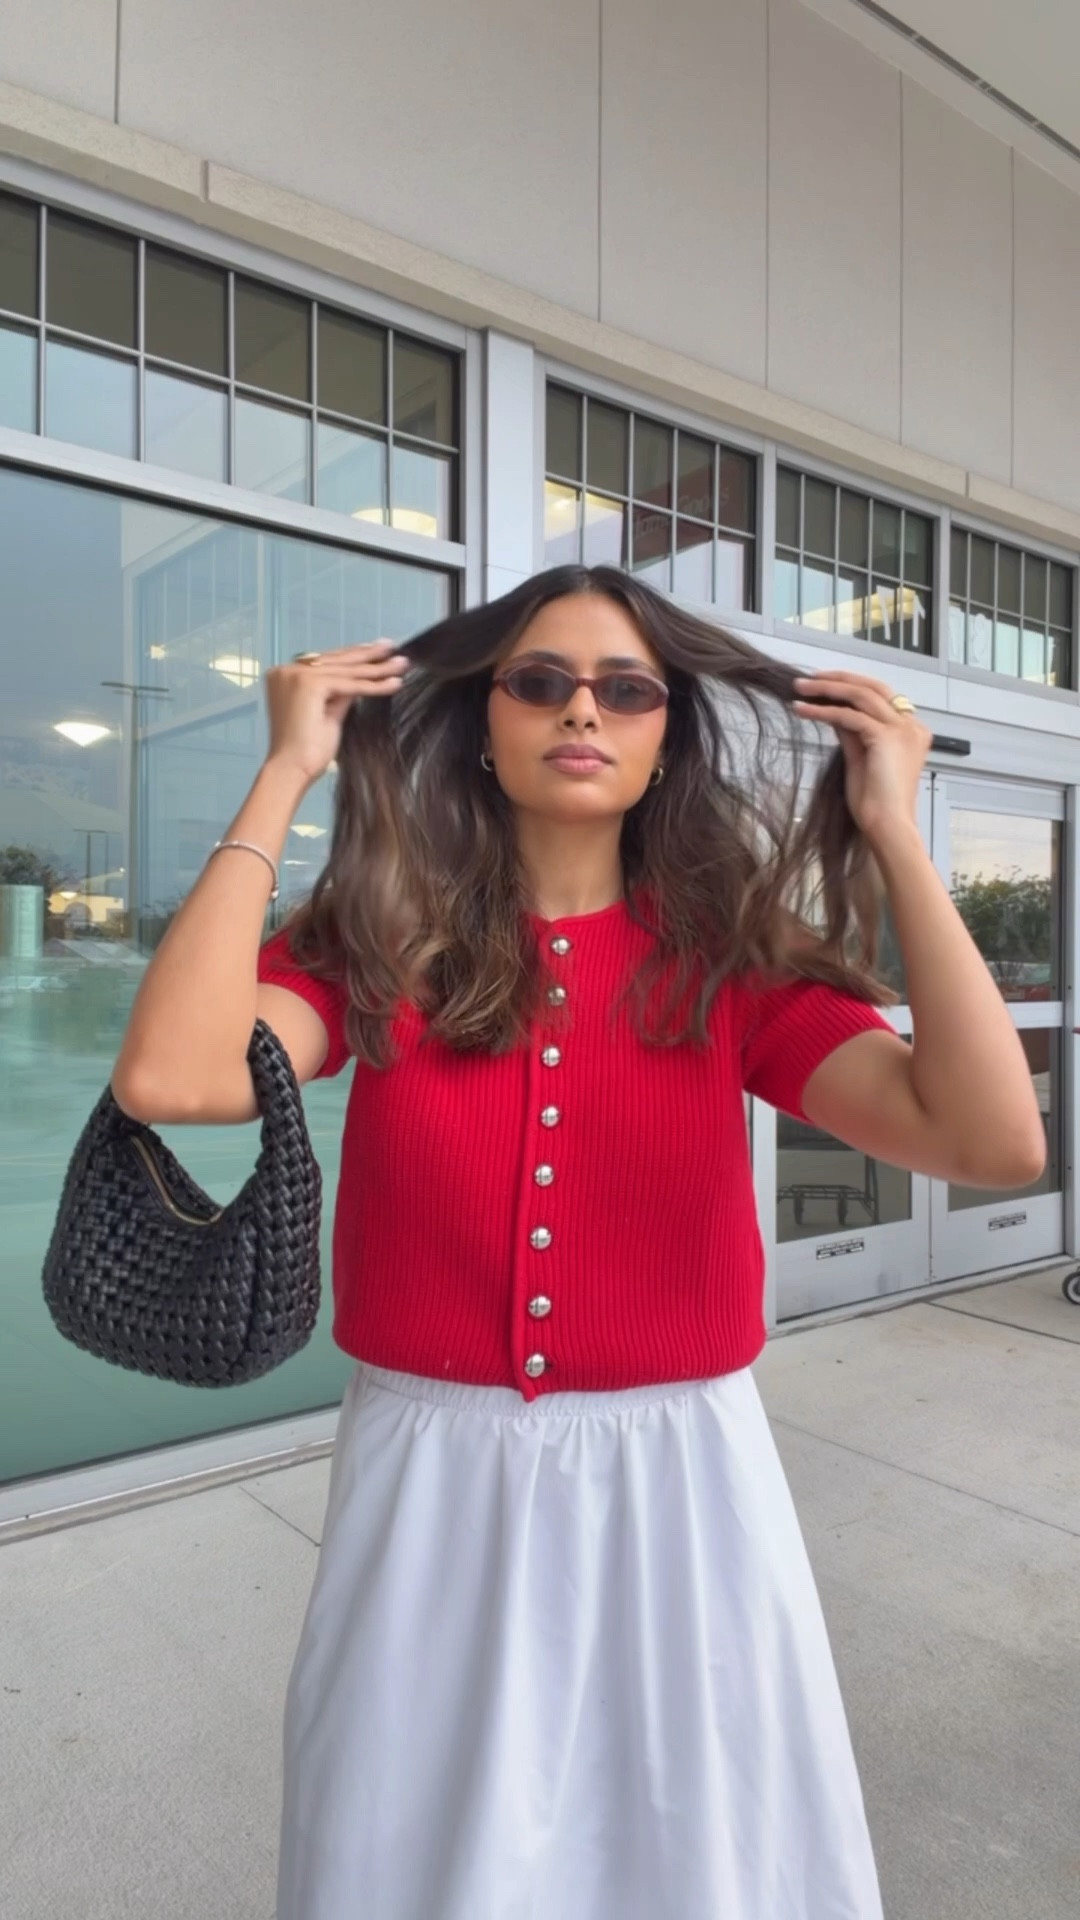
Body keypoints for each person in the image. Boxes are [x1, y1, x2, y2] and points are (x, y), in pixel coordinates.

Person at [112, 565, 1045, 1920]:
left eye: (627, 689)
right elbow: (172, 1076)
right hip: (430, 1472)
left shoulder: (732, 960)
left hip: (682, 1479)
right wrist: (283, 777)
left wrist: (895, 834)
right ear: (484, 722)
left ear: (668, 738)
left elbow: (991, 1142)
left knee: (693, 1849)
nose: (583, 710)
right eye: (540, 680)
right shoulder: (379, 938)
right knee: (414, 1845)